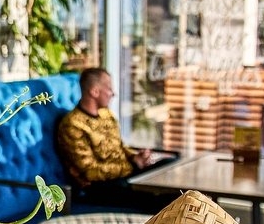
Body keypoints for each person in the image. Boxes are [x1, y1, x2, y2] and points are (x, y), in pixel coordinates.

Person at [56, 67, 176, 213]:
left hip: (126, 174)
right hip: (100, 187)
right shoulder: (72, 125)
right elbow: (90, 171)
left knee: (171, 165)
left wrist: (135, 156)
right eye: (109, 89)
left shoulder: (106, 114)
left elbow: (119, 146)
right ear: (94, 92)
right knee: (160, 197)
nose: (113, 94)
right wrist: (133, 165)